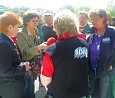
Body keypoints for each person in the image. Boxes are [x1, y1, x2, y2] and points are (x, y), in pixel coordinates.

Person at [40, 10, 89, 98]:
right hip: (81, 93)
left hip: (59, 93)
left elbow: (45, 81)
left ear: (56, 26)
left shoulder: (52, 50)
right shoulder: (84, 43)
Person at [17, 10, 47, 98]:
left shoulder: (36, 30)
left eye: (37, 20)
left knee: (32, 84)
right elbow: (24, 52)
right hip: (27, 64)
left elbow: (37, 45)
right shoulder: (21, 34)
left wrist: (42, 47)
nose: (36, 22)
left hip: (35, 64)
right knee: (27, 86)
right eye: (33, 20)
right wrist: (38, 47)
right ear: (26, 22)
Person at [0, 12, 31, 98]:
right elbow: (5, 71)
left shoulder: (4, 39)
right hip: (11, 88)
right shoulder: (4, 43)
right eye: (17, 27)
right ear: (9, 27)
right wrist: (24, 67)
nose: (18, 30)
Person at [87, 9, 115, 98]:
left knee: (105, 95)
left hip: (106, 70)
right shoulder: (91, 32)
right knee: (94, 94)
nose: (92, 21)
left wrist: (113, 65)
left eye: (95, 18)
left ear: (103, 18)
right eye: (91, 18)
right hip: (92, 70)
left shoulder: (112, 32)